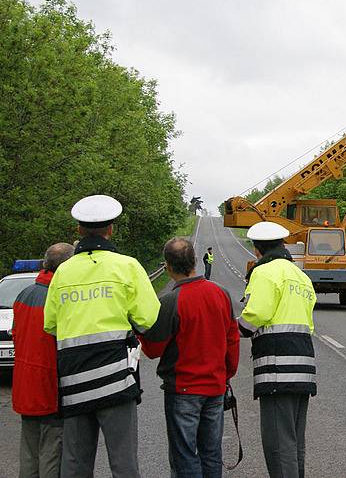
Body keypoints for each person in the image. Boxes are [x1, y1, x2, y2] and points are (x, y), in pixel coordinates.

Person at [43, 194, 161, 478]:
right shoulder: (128, 266)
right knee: (123, 463)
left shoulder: (62, 272)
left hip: (73, 381)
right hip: (115, 379)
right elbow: (148, 319)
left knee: (75, 464)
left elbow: (50, 324)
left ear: (78, 230)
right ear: (111, 230)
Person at [139, 238, 240, 478]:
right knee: (212, 453)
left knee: (184, 456)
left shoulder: (170, 302)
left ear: (168, 267)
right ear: (195, 260)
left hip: (183, 388)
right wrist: (226, 374)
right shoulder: (221, 294)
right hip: (215, 387)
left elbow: (153, 350)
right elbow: (232, 339)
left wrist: (140, 331)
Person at [237, 221, 316, 478]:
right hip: (303, 366)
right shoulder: (301, 275)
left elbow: (255, 314)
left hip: (276, 368)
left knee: (278, 446)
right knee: (294, 443)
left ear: (257, 249)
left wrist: (237, 328)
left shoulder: (264, 273)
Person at [12, 242, 74, 478]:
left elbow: (17, 335)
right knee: (51, 450)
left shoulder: (24, 294)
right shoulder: (61, 298)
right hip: (49, 386)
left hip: (24, 385)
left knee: (28, 450)